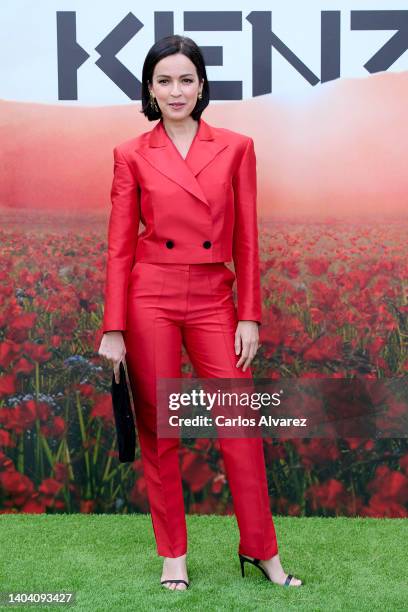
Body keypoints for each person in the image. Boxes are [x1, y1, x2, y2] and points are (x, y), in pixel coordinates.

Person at [98, 34, 303, 591]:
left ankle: (262, 551)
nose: (176, 90)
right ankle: (173, 557)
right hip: (150, 299)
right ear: (149, 88)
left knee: (240, 425)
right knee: (160, 431)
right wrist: (113, 326)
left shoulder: (237, 146)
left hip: (216, 297)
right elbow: (119, 246)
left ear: (202, 84)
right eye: (164, 80)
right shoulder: (131, 154)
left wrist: (250, 314)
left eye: (186, 79)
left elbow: (249, 239)